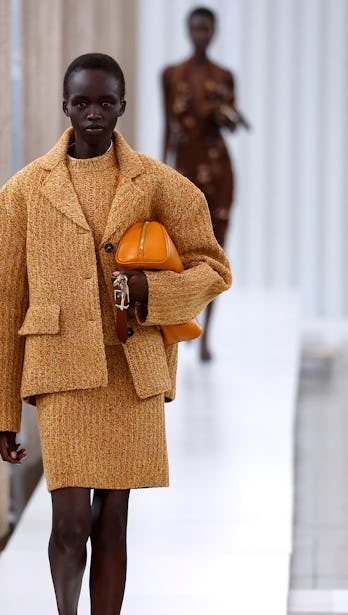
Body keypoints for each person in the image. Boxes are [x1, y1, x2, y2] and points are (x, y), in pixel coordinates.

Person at [0, 52, 231, 615]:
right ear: (65, 106)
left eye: (106, 102)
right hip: (60, 370)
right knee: (68, 525)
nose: (93, 112)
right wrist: (0, 411)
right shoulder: (24, 193)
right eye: (82, 102)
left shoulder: (158, 185)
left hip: (129, 369)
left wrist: (155, 295)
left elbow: (213, 266)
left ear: (121, 107)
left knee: (113, 523)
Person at [161, 6, 248, 361]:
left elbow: (232, 124)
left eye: (206, 29)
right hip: (185, 166)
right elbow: (166, 124)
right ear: (188, 30)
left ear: (214, 32)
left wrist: (225, 111)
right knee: (181, 251)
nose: (201, 35)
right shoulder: (171, 74)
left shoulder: (225, 76)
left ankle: (207, 334)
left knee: (216, 247)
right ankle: (187, 324)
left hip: (218, 166)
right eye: (195, 29)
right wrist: (158, 171)